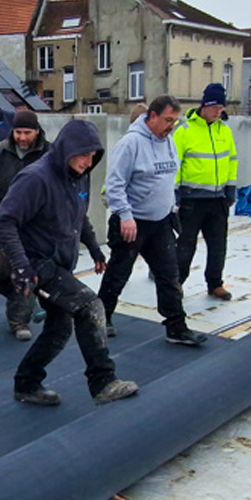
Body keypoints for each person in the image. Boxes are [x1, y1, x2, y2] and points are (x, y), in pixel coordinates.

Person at [0, 119, 137, 407]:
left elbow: (79, 215)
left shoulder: (79, 175)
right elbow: (4, 221)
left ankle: (27, 384)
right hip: (37, 263)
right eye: (83, 154)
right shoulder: (36, 178)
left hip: (59, 261)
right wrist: (21, 266)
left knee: (59, 328)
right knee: (90, 305)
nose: (89, 161)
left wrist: (94, 248)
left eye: (93, 155)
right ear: (68, 149)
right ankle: (103, 382)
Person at [98, 95, 204, 346]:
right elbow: (114, 185)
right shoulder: (131, 144)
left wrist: (171, 207)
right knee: (118, 273)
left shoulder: (168, 142)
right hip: (133, 223)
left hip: (161, 222)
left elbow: (168, 176)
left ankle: (176, 328)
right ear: (152, 116)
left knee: (169, 275)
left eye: (175, 121)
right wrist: (125, 216)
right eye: (167, 120)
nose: (171, 126)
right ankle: (100, 318)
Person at [0, 110, 50, 340]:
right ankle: (21, 299)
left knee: (25, 270)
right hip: (5, 221)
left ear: (36, 131)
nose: (21, 137)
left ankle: (19, 320)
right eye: (18, 132)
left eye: (27, 132)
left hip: (34, 224)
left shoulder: (49, 154)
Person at [173, 83, 237, 300]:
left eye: (222, 108)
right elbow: (175, 165)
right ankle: (177, 284)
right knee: (185, 247)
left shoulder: (224, 131)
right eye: (215, 107)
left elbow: (231, 161)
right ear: (204, 106)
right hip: (192, 200)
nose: (219, 112)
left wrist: (231, 188)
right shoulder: (185, 131)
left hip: (218, 200)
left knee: (218, 245)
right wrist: (176, 193)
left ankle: (215, 284)